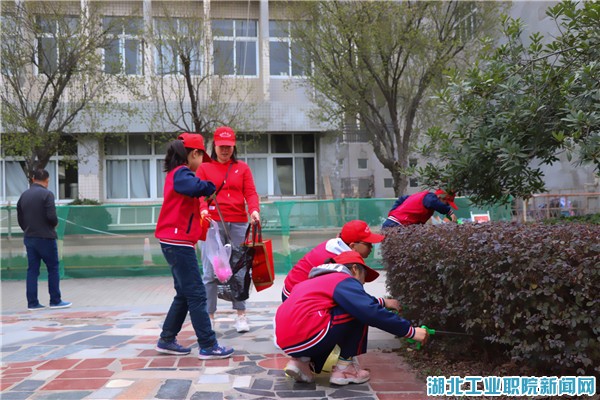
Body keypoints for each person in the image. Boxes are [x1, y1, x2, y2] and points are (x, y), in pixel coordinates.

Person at [274, 251, 429, 385]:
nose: (363, 283)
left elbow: (355, 299)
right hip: (311, 334)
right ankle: (345, 369)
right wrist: (410, 331)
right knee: (358, 311)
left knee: (346, 309)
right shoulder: (343, 279)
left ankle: (300, 362)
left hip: (286, 340)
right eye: (364, 277)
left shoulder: (315, 281)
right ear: (354, 269)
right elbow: (366, 309)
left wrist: (383, 302)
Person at [155, 133, 233, 360]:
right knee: (197, 293)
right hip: (178, 241)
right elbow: (194, 186)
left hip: (174, 240)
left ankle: (167, 339)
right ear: (194, 154)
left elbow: (192, 188)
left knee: (184, 293)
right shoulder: (182, 173)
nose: (201, 164)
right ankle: (208, 345)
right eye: (201, 158)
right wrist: (209, 186)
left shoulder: (176, 173)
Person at [198, 126, 260, 333]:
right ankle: (209, 317)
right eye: (221, 146)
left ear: (234, 147)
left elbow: (250, 192)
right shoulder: (205, 168)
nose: (225, 150)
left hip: (239, 223)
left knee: (240, 269)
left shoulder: (242, 168)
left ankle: (241, 315)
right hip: (212, 224)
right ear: (214, 146)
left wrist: (254, 210)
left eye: (229, 146)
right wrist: (203, 209)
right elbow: (199, 194)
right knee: (210, 271)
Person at [281, 219, 384, 301]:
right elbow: (352, 297)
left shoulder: (338, 245)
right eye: (368, 244)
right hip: (294, 297)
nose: (371, 247)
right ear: (352, 246)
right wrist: (380, 303)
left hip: (296, 291)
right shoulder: (340, 262)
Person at [17, 169, 71, 311]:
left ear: (33, 179)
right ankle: (55, 300)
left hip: (30, 237)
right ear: (47, 180)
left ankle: (32, 303)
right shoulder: (47, 194)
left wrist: (27, 229)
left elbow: (20, 218)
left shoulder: (24, 195)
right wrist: (55, 224)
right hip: (46, 237)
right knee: (53, 268)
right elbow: (51, 217)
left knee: (32, 270)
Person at [382, 189, 458, 228]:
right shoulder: (429, 198)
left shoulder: (422, 197)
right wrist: (449, 212)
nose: (447, 205)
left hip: (394, 223)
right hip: (397, 224)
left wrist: (392, 213)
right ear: (440, 198)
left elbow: (402, 198)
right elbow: (433, 202)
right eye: (447, 203)